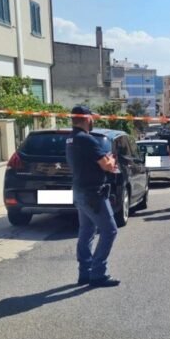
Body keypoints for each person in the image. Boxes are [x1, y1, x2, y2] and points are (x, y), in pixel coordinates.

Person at [65, 106, 121, 288]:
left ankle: (85, 273)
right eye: (91, 117)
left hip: (80, 191)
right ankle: (97, 273)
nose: (93, 120)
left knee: (86, 231)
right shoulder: (87, 140)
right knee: (110, 230)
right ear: (87, 119)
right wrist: (111, 160)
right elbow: (106, 165)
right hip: (93, 193)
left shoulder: (71, 139)